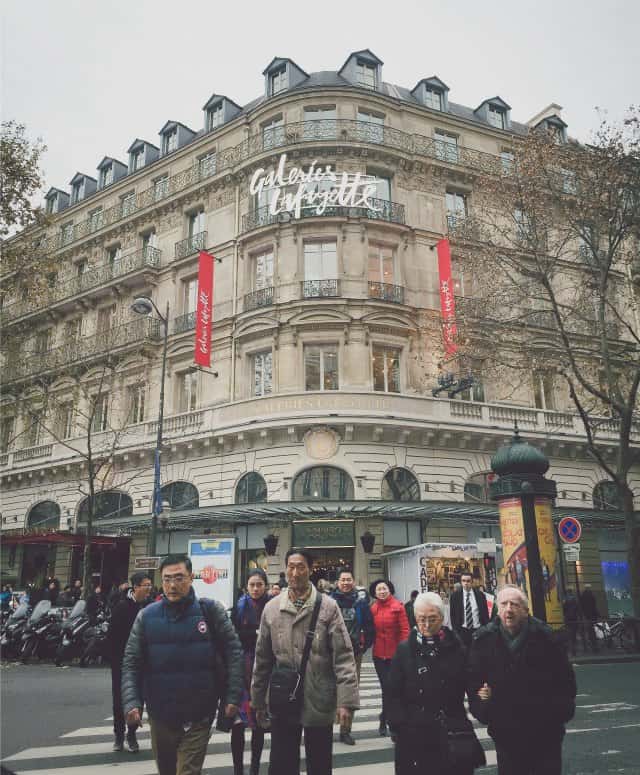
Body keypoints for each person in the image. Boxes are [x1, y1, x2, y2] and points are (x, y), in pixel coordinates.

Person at [121, 554, 243, 775]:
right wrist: (132, 702)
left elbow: (234, 653)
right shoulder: (146, 616)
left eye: (179, 578)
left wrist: (233, 697)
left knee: (188, 771)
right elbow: (131, 663)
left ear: (191, 578)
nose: (172, 585)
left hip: (199, 714)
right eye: (167, 579)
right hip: (160, 714)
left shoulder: (211, 611)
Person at [251, 549, 359, 775]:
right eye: (291, 566)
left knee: (319, 763)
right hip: (283, 697)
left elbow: (343, 656)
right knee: (282, 762)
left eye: (301, 567)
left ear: (310, 570)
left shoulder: (328, 607)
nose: (295, 572)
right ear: (285, 569)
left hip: (319, 696)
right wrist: (258, 700)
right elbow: (262, 659)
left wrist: (346, 702)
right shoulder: (272, 609)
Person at [468, 586, 576, 775]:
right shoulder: (483, 641)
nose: (509, 609)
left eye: (515, 604)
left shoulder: (546, 639)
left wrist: (558, 714)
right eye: (504, 604)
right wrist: (484, 706)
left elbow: (566, 683)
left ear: (526, 611)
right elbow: (474, 684)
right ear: (497, 610)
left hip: (545, 732)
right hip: (506, 732)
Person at [387, 592, 485, 774]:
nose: (426, 625)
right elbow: (393, 692)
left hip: (451, 727)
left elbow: (472, 683)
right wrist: (397, 724)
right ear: (415, 618)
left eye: (432, 619)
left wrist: (482, 701)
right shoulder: (404, 651)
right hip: (414, 730)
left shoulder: (457, 648)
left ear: (442, 617)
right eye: (421, 619)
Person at [231, 569, 271, 775]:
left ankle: (255, 767)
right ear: (246, 586)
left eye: (259, 584)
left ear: (265, 585)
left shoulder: (272, 606)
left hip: (263, 671)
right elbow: (231, 636)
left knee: (259, 723)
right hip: (241, 670)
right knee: (238, 724)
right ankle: (238, 769)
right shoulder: (238, 607)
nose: (256, 588)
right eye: (252, 584)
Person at [107, 572, 153, 753]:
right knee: (119, 700)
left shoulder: (150, 607)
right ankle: (119, 734)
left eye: (150, 585)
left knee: (139, 699)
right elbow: (112, 637)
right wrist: (116, 660)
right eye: (146, 585)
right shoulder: (121, 607)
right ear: (135, 587)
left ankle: (132, 734)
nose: (149, 588)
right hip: (121, 663)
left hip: (142, 663)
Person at [331, 569, 375, 745]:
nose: (346, 583)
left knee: (351, 690)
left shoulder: (361, 602)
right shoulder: (329, 601)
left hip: (353, 653)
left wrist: (364, 647)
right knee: (328, 690)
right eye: (342, 580)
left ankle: (345, 730)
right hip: (331, 652)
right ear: (338, 582)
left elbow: (370, 626)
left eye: (349, 579)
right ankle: (327, 727)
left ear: (353, 581)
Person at [369, 579, 409, 737]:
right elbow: (369, 630)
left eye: (384, 588)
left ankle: (390, 721)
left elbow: (405, 630)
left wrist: (403, 651)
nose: (382, 591)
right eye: (379, 589)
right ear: (375, 592)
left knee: (392, 689)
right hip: (379, 655)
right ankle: (386, 718)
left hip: (395, 656)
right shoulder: (373, 609)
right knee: (387, 688)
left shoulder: (398, 607)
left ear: (389, 590)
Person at [450, 572, 490, 647]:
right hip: (463, 631)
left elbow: (485, 613)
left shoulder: (480, 595)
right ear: (461, 582)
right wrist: (456, 631)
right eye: (463, 581)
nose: (466, 583)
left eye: (468, 581)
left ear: (472, 582)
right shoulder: (455, 596)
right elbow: (452, 614)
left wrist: (485, 629)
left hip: (478, 630)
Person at [579, 585, 599, 652]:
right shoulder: (591, 595)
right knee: (591, 630)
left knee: (589, 630)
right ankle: (594, 645)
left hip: (587, 615)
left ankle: (591, 645)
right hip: (591, 616)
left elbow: (581, 606)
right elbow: (594, 605)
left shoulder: (583, 595)